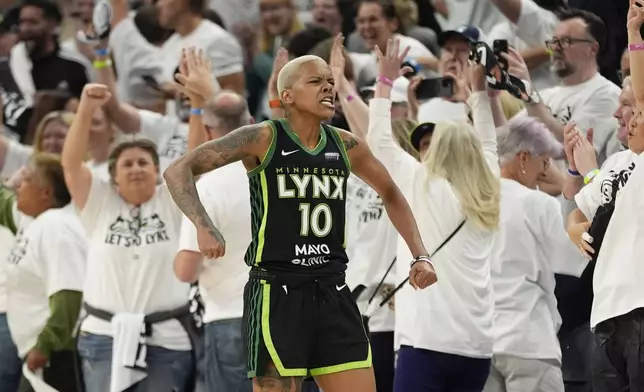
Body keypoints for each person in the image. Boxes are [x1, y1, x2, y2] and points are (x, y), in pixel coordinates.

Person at [163, 38, 436, 391]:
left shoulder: (346, 144)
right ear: (287, 96)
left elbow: (392, 193)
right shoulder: (261, 138)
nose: (328, 86)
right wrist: (203, 224)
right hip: (277, 291)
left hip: (334, 289)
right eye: (315, 81)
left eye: (329, 81)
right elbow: (177, 170)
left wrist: (421, 254)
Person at [366, 41, 503, 392]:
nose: (421, 152)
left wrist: (384, 82)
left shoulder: (421, 183)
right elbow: (488, 144)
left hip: (426, 343)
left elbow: (378, 141)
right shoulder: (487, 187)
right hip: (477, 346)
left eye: (429, 145)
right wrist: (478, 92)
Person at [61, 84, 195, 392]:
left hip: (166, 341)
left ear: (158, 170)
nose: (135, 169)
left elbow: (194, 162)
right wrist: (85, 109)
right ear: (113, 176)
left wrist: (197, 109)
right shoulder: (99, 202)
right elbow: (70, 164)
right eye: (127, 164)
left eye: (143, 162)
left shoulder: (171, 201)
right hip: (102, 339)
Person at [484, 116, 586, 392]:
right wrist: (571, 180)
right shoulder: (538, 203)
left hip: (481, 343)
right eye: (544, 163)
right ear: (523, 158)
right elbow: (574, 259)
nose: (544, 173)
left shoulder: (474, 201)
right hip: (528, 340)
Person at [5, 153, 86, 392]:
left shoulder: (56, 228)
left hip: (57, 354)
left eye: (27, 180)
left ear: (46, 193)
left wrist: (44, 346)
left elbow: (69, 294)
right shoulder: (36, 223)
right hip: (44, 353)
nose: (18, 184)